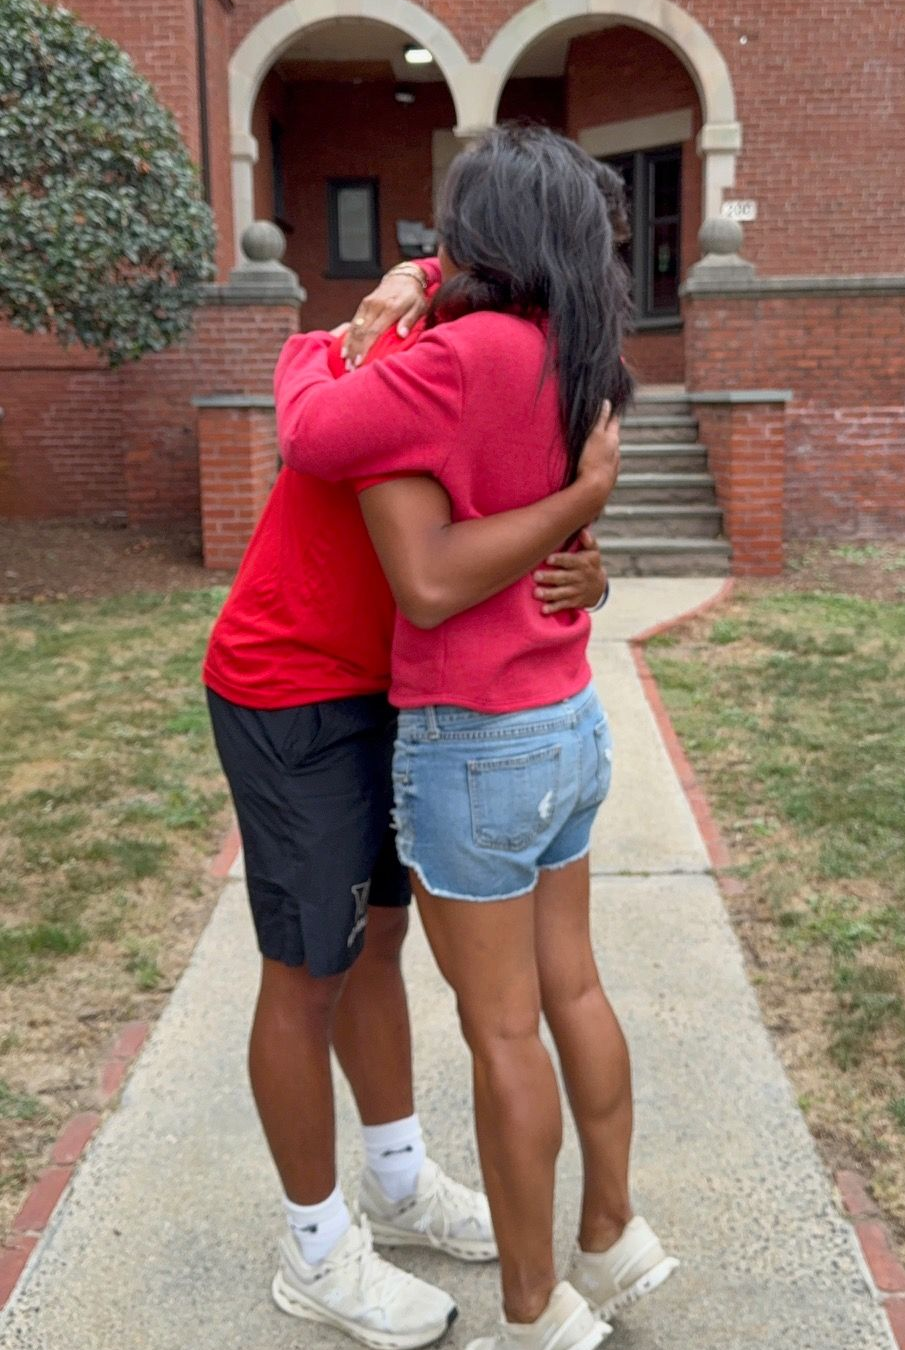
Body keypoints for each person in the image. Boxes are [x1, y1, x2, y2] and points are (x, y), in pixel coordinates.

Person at [275, 123, 678, 1350]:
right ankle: (611, 1233)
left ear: (486, 235)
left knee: (502, 1029)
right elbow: (555, 553)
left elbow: (311, 427)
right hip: (568, 722)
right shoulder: (584, 356)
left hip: (475, 737)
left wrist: (329, 329)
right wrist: (585, 540)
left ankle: (529, 1303)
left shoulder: (459, 360)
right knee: (578, 991)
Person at [204, 246, 618, 1346]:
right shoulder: (387, 356)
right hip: (291, 684)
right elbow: (311, 391)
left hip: (401, 692)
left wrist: (591, 561)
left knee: (377, 942)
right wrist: (383, 298)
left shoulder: (505, 350)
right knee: (306, 972)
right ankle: (316, 1246)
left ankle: (394, 1181)